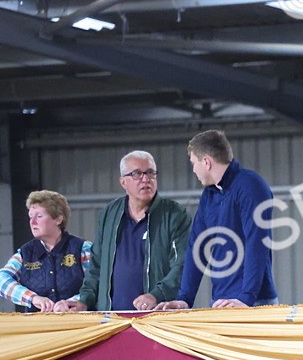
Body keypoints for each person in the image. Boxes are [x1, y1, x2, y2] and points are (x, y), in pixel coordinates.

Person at [53, 151, 191, 313]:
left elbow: (183, 264)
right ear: (123, 182)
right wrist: (84, 301)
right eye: (137, 174)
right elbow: (96, 266)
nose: (146, 179)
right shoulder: (109, 214)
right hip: (111, 318)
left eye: (150, 173)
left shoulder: (174, 214)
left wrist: (157, 295)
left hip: (156, 317)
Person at [155, 130, 278, 309]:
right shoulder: (209, 195)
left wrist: (246, 298)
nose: (193, 170)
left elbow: (257, 242)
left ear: (206, 162)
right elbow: (197, 246)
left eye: (193, 163)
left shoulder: (250, 186)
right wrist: (184, 298)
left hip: (254, 303)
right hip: (221, 302)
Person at [0, 191, 91, 313]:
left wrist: (72, 303)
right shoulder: (25, 253)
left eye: (39, 216)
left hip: (79, 326)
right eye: (30, 217)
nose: (32, 222)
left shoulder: (82, 248)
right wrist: (32, 298)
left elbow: (96, 284)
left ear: (58, 219)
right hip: (37, 328)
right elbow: (1, 280)